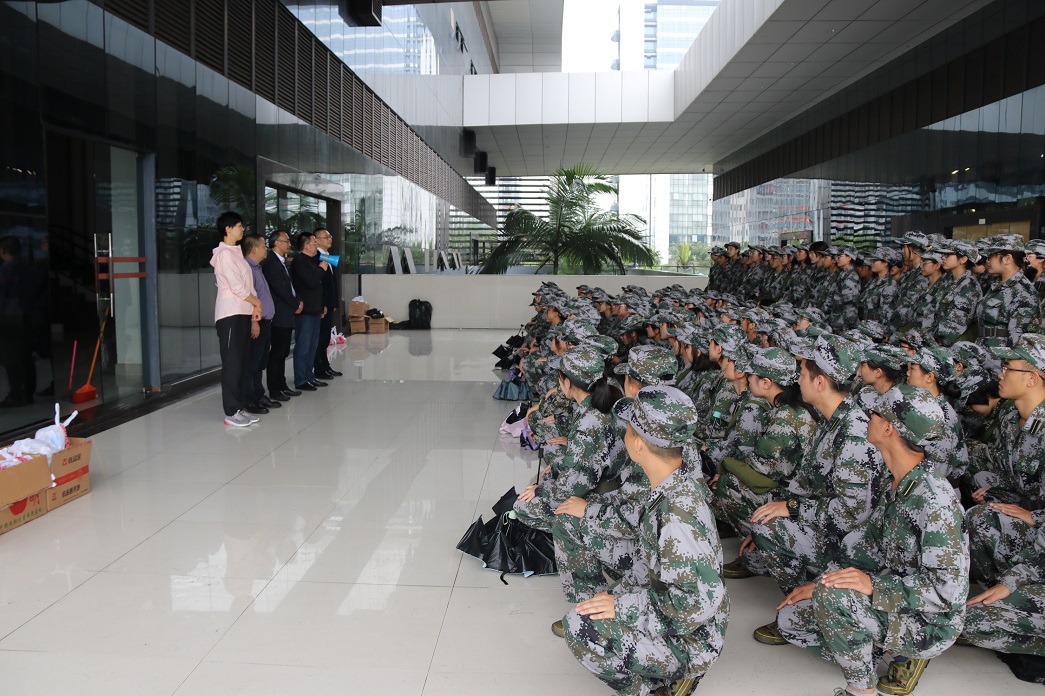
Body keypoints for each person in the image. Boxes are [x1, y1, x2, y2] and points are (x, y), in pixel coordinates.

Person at [775, 384, 968, 696]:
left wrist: (873, 586)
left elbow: (947, 592)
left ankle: (862, 689)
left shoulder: (934, 502)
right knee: (790, 620)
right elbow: (864, 545)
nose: (866, 417)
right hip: (895, 595)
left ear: (889, 429)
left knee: (833, 599)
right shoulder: (900, 481)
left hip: (929, 621)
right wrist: (825, 580)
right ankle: (878, 649)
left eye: (874, 413)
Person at [563, 385, 728, 696]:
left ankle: (660, 685)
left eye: (628, 429)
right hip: (680, 613)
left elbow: (695, 604)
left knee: (579, 626)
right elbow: (650, 561)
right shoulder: (674, 484)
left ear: (638, 443)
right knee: (598, 605)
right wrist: (616, 596)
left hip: (693, 639)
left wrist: (622, 607)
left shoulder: (676, 517)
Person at [745, 334, 885, 644]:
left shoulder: (853, 435)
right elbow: (806, 484)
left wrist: (792, 509)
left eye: (803, 373)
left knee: (770, 526)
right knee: (764, 522)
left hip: (854, 547)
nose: (797, 379)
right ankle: (803, 595)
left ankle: (812, 606)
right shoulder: (830, 421)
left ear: (820, 382)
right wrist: (781, 508)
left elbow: (851, 514)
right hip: (831, 529)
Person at [966, 333, 1045, 589]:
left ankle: (1011, 591)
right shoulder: (1011, 416)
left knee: (980, 519)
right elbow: (1015, 472)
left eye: (1008, 368)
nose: (1001, 375)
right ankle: (997, 587)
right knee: (979, 477)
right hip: (1027, 502)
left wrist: (1035, 517)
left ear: (1032, 378)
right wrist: (997, 491)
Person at [210, 211, 262, 427]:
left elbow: (249, 286)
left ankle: (239, 407)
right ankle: (231, 412)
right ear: (228, 229)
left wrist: (254, 309)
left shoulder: (237, 254)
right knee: (232, 364)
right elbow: (237, 287)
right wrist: (256, 303)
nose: (242, 229)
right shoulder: (224, 255)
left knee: (241, 363)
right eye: (239, 226)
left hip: (243, 312)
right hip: (230, 314)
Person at [261, 229, 302, 400]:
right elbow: (280, 289)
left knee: (283, 352)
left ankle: (282, 385)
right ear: (276, 243)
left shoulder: (281, 261)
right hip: (279, 314)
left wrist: (297, 301)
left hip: (286, 312)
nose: (289, 244)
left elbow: (289, 287)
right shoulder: (271, 263)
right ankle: (275, 389)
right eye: (286, 241)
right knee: (277, 353)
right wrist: (295, 304)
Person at [241, 234, 279, 414]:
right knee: (253, 363)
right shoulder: (247, 268)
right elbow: (247, 298)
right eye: (264, 246)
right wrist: (253, 322)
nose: (266, 249)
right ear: (254, 248)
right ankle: (250, 399)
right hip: (257, 322)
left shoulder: (257, 268)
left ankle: (259, 395)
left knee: (260, 362)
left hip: (265, 322)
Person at [977, 234, 1036, 349]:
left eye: (991, 256)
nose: (988, 261)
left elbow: (1019, 341)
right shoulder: (997, 284)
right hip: (984, 351)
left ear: (1007, 259)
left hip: (999, 356)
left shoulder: (1023, 292)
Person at [290, 232, 328, 391]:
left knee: (312, 346)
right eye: (314, 243)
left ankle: (309, 376)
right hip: (305, 311)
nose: (316, 246)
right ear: (306, 245)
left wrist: (322, 305)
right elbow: (311, 282)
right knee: (303, 347)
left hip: (314, 309)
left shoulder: (311, 261)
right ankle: (301, 379)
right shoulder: (299, 261)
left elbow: (318, 286)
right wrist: (321, 269)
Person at [312, 227, 342, 380]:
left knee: (325, 337)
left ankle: (325, 366)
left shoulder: (327, 256)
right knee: (321, 337)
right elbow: (319, 285)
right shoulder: (316, 257)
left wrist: (334, 302)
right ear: (316, 240)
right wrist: (323, 303)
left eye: (330, 236)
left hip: (329, 304)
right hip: (321, 305)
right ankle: (319, 368)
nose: (330, 239)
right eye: (326, 237)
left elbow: (331, 283)